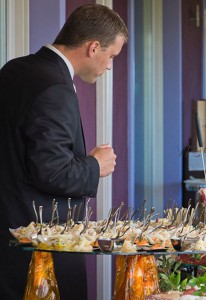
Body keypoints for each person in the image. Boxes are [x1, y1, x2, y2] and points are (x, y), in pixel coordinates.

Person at [0, 4, 127, 299]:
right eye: (111, 56)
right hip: (39, 251)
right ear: (94, 47)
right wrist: (96, 165)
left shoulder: (13, 70)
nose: (109, 66)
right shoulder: (55, 87)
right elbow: (52, 172)